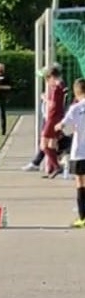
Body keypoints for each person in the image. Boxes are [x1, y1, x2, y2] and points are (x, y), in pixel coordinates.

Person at [56, 78, 85, 228]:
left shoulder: (75, 108)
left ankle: (83, 217)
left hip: (80, 152)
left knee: (80, 183)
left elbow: (62, 126)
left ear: (76, 91)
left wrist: (56, 127)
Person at [40, 67, 67, 178]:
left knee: (43, 144)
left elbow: (53, 105)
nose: (47, 81)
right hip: (58, 117)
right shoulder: (60, 85)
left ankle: (56, 167)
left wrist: (45, 98)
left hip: (53, 118)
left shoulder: (56, 88)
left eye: (47, 78)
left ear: (51, 77)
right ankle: (51, 169)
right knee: (51, 144)